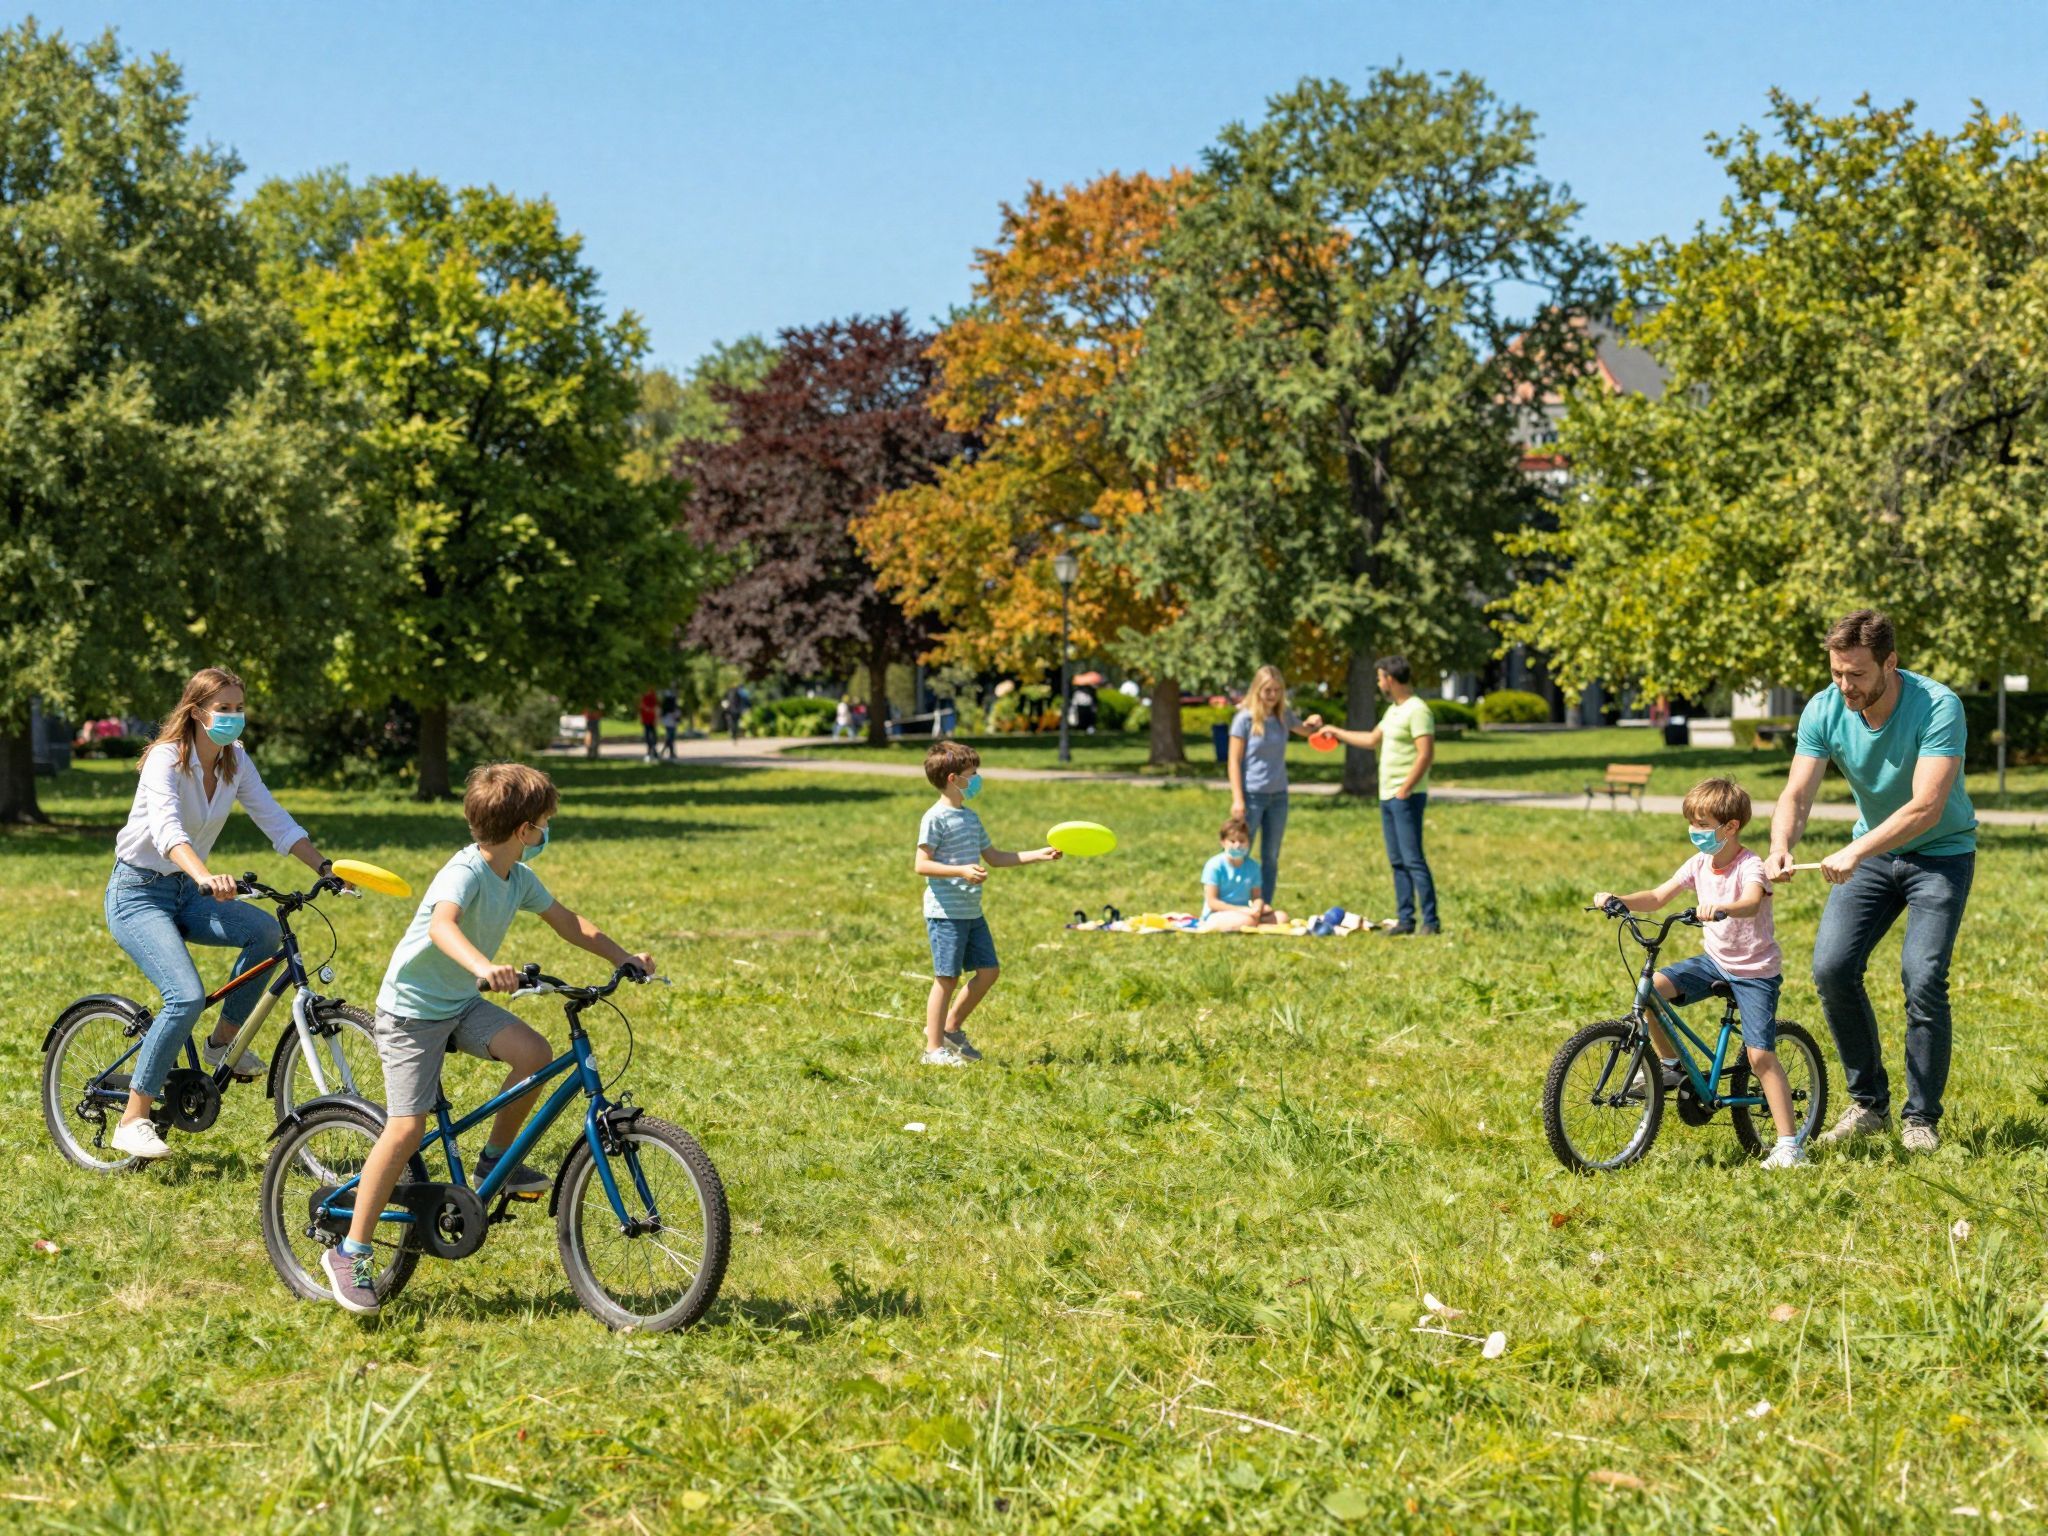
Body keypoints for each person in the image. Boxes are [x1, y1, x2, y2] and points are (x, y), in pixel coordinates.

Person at [323, 762, 654, 1313]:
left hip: (457, 1003)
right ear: (525, 830)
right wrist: (484, 966)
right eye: (544, 822)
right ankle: (351, 1250)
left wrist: (623, 957)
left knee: (534, 1054)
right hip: (410, 1012)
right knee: (406, 1129)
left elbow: (569, 923)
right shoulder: (466, 872)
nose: (547, 832)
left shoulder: (517, 877)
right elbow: (441, 926)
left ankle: (491, 1163)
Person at [102, 667, 337, 1161]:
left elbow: (272, 817)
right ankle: (133, 1118)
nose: (233, 718)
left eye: (238, 708)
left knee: (264, 933)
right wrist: (205, 874)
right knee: (184, 997)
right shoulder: (165, 759)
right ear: (196, 711)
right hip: (138, 892)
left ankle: (220, 1043)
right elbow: (167, 831)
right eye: (223, 709)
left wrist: (324, 866)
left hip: (188, 890)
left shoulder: (235, 761)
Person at [1766, 609, 1977, 1154]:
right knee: (1832, 968)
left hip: (1940, 854)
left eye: (1856, 674)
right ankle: (1869, 1105)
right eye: (1837, 672)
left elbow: (1926, 807)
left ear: (1890, 662)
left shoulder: (1937, 705)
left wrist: (1855, 850)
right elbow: (1797, 794)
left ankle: (1920, 1118)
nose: (1845, 685)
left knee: (1923, 976)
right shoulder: (1825, 707)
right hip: (1874, 857)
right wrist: (1780, 845)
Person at [1593, 777, 1805, 1169]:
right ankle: (1671, 1066)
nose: (1696, 832)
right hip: (1715, 961)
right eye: (1692, 823)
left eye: (1704, 825)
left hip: (1755, 971)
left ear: (1731, 827)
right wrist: (1618, 899)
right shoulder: (1698, 864)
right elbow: (1658, 897)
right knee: (1652, 990)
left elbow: (1752, 902)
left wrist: (1722, 907)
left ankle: (1790, 1145)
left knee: (1759, 1056)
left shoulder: (1750, 865)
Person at [912, 741, 1061, 1067]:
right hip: (946, 912)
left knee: (989, 971)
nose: (978, 779)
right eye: (973, 774)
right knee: (946, 978)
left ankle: (951, 1028)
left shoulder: (970, 818)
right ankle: (933, 1049)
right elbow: (921, 865)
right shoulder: (934, 818)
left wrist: (1039, 854)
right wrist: (961, 870)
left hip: (971, 911)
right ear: (954, 778)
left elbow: (994, 857)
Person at [1319, 655, 1439, 935]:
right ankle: (1406, 919)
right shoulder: (1394, 710)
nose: (1378, 682)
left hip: (1406, 796)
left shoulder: (1417, 710)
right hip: (1388, 796)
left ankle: (1431, 922)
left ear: (1391, 679)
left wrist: (1406, 788)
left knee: (1413, 859)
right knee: (1397, 861)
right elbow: (1371, 740)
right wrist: (1336, 732)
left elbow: (1426, 754)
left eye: (1380, 677)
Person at [1226, 665, 1323, 910]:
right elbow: (1233, 762)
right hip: (1252, 796)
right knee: (1240, 853)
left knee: (1270, 856)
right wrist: (1238, 799)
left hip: (1278, 796)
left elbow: (1307, 730)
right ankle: (1234, 904)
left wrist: (1314, 722)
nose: (1272, 695)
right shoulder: (1244, 720)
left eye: (1277, 690)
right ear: (1257, 690)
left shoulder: (1283, 716)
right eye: (1267, 690)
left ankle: (1264, 905)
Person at [1199, 816, 1286, 930]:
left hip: (1245, 912)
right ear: (1223, 842)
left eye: (1242, 841)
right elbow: (1212, 902)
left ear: (1248, 843)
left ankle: (1253, 922)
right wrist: (1243, 910)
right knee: (1247, 920)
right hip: (1217, 914)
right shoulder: (1214, 865)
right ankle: (1252, 923)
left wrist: (1258, 907)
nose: (1237, 845)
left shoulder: (1253, 866)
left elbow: (1256, 896)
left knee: (1282, 917)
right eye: (1232, 841)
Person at [658, 688, 681, 760]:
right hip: (671, 724)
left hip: (668, 723)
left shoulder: (666, 707)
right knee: (670, 739)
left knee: (670, 739)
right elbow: (677, 715)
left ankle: (668, 753)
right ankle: (669, 753)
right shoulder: (672, 707)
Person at [638, 690, 659, 763]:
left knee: (654, 737)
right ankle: (651, 752)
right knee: (647, 737)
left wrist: (656, 719)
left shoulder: (653, 696)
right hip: (646, 720)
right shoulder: (643, 697)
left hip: (652, 720)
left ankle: (653, 752)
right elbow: (641, 708)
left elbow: (655, 708)